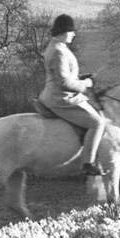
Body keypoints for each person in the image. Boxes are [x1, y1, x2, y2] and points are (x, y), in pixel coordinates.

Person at [39, 14, 105, 177]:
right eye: (71, 31)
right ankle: (88, 163)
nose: (74, 34)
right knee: (97, 123)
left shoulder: (57, 46)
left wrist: (79, 78)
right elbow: (63, 83)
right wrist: (86, 84)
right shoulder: (58, 51)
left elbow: (64, 77)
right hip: (61, 99)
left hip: (59, 94)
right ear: (63, 31)